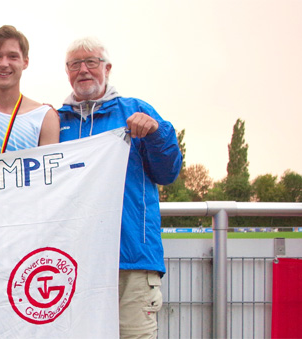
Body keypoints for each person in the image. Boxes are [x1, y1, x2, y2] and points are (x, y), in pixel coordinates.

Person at [57, 37, 182, 338]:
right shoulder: (56, 121)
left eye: (92, 62)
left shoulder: (136, 110)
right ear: (67, 71)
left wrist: (156, 132)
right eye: (76, 64)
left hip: (131, 261)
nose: (84, 70)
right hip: (75, 262)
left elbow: (169, 172)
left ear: (107, 68)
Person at [0, 25, 59, 158]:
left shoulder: (44, 117)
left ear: (25, 62)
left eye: (12, 57)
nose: (3, 64)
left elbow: (48, 174)